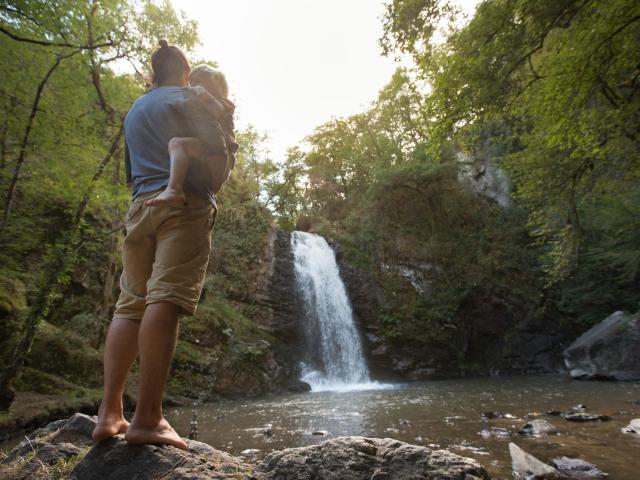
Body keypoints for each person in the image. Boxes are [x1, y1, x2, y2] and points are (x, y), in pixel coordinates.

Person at [91, 40, 231, 450]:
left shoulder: (136, 108)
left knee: (130, 303)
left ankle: (109, 414)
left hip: (140, 207)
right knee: (164, 300)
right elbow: (218, 165)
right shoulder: (193, 98)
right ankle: (148, 418)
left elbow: (131, 173)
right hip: (183, 205)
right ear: (185, 71)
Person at [144, 64, 238, 207]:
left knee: (178, 144)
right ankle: (178, 186)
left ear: (217, 87)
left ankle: (174, 189)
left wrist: (200, 92)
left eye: (200, 82)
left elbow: (217, 111)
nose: (193, 87)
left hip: (221, 155)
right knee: (179, 145)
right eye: (192, 83)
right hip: (213, 153)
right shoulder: (200, 106)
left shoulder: (224, 103)